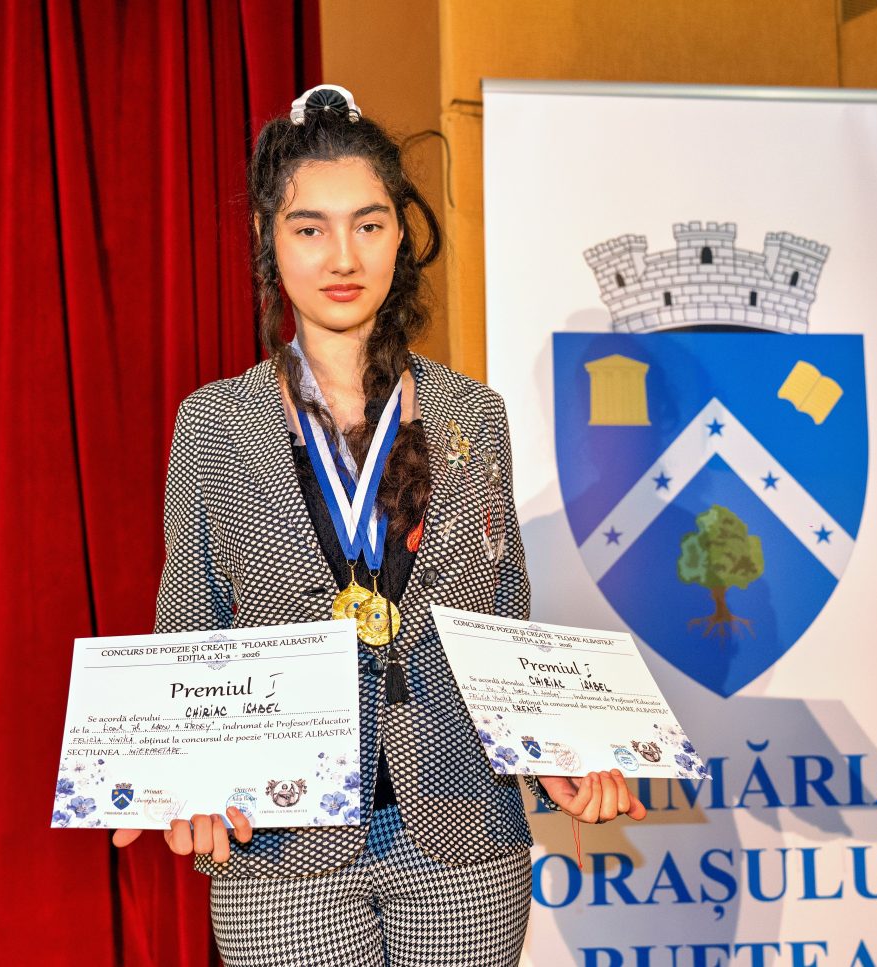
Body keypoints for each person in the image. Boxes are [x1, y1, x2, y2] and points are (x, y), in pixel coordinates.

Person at [114, 84, 646, 967]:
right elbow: (191, 623)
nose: (342, 255)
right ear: (268, 238)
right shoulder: (213, 424)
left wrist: (551, 749)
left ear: (401, 233)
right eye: (309, 227)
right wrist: (189, 774)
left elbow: (503, 619)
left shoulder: (475, 413)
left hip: (462, 834)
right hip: (283, 845)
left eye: (368, 223)